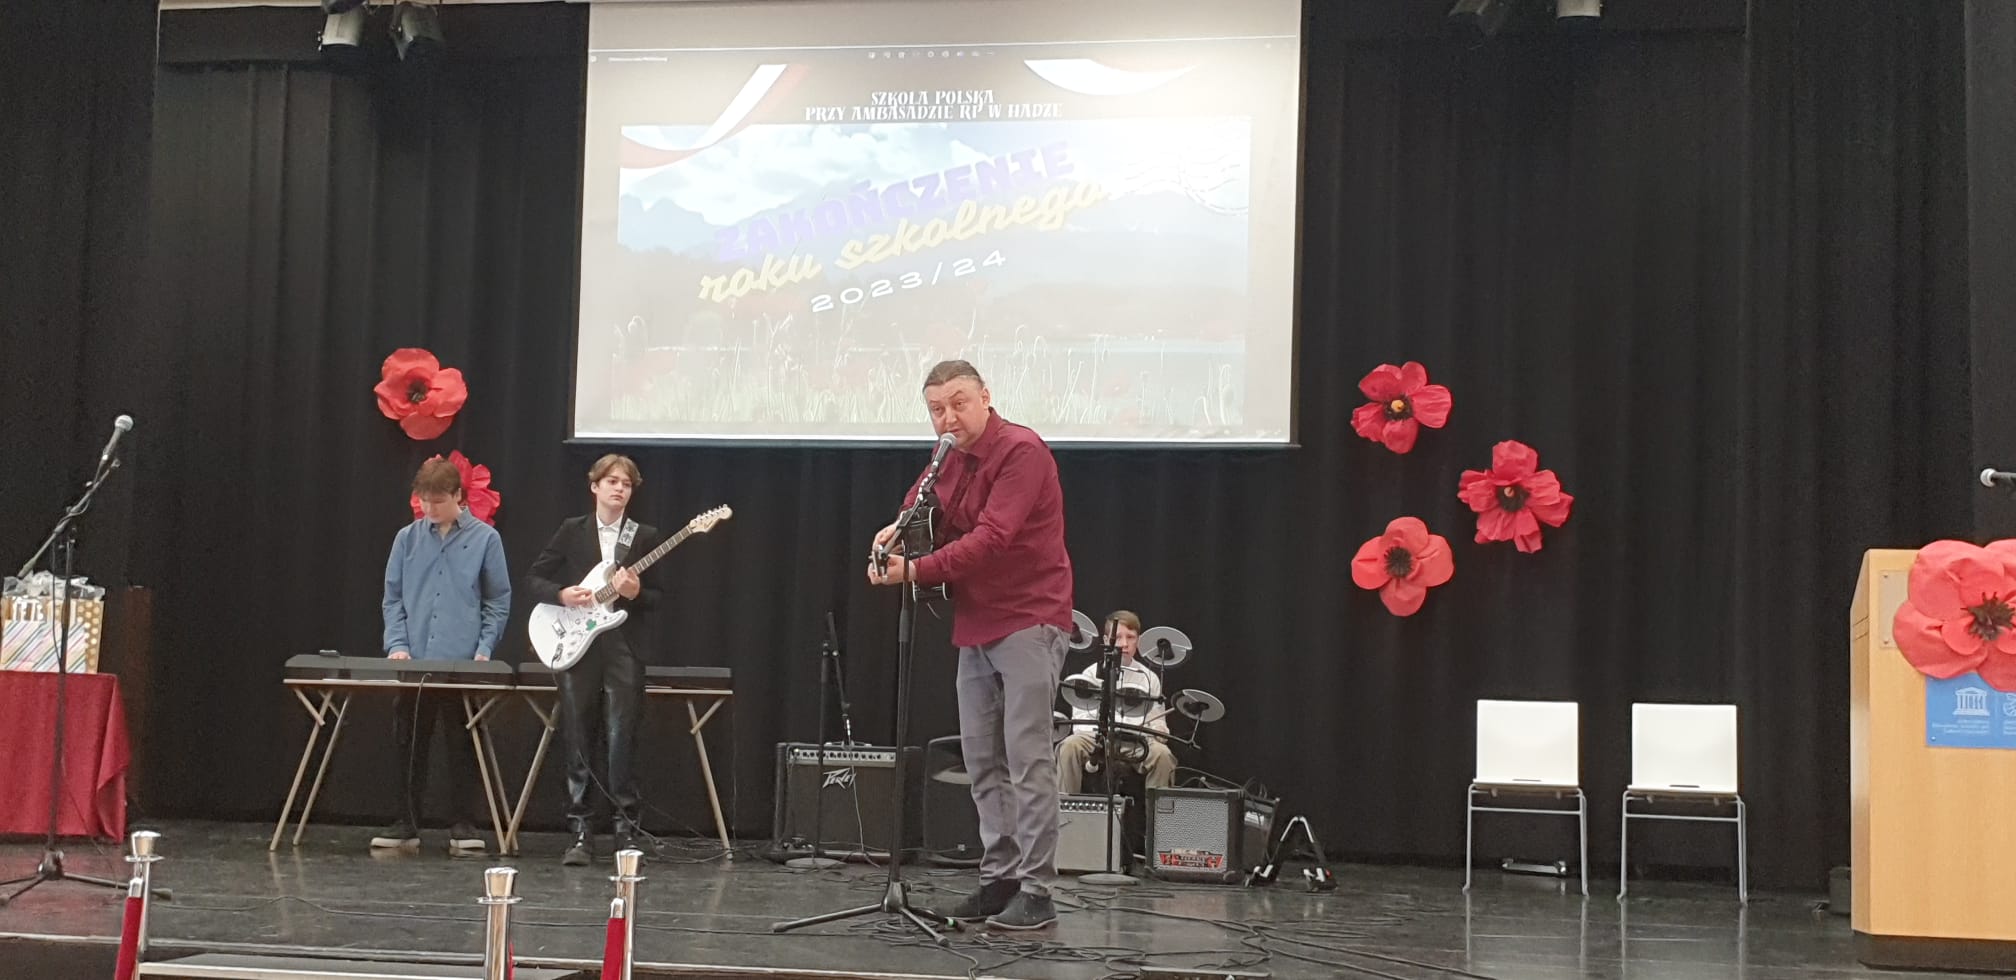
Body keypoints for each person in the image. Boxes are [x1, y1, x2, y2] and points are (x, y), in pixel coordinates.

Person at [867, 359, 1072, 930]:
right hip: (977, 622)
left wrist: (915, 569)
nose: (948, 417)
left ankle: (1037, 891)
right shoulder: (948, 454)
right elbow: (921, 500)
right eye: (937, 409)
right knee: (984, 761)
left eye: (959, 403)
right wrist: (897, 530)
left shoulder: (1022, 451)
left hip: (1029, 617)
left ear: (986, 396)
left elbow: (992, 537)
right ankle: (1000, 878)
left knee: (1027, 759)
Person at [526, 454, 662, 867]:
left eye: (626, 483)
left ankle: (625, 829)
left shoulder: (643, 535)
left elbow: (659, 597)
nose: (619, 488)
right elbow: (534, 577)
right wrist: (561, 594)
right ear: (595, 486)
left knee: (622, 738)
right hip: (577, 645)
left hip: (622, 646)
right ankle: (581, 830)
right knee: (578, 737)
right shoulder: (573, 530)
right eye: (612, 481)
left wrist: (636, 593)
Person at [372, 457, 512, 856]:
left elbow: (498, 600)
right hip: (414, 659)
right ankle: (406, 822)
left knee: (462, 742)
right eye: (424, 500)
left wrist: (484, 649)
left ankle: (463, 824)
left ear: (458, 496)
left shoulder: (486, 539)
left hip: (461, 662)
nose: (429, 508)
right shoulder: (406, 539)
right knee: (409, 741)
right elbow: (392, 598)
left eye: (437, 501)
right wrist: (397, 645)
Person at [1056, 611, 1177, 795]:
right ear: (1107, 640)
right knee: (1068, 747)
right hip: (1097, 738)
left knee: (1163, 756)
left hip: (1136, 741)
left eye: (1130, 637)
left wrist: (1160, 729)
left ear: (1138, 640)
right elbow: (1079, 724)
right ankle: (1065, 811)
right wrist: (1102, 735)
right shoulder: (1090, 674)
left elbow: (1157, 720)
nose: (1124, 644)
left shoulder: (1149, 677)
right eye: (1118, 637)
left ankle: (1158, 813)